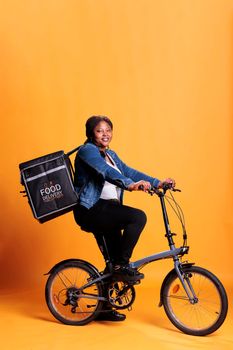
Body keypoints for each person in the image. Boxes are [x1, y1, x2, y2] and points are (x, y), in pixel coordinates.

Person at [73, 115, 175, 321]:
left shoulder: (110, 154)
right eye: (100, 130)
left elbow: (129, 171)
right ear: (91, 133)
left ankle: (103, 308)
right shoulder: (87, 151)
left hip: (108, 210)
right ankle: (122, 265)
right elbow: (106, 172)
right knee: (137, 217)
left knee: (112, 261)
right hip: (91, 209)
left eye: (108, 130)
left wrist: (157, 183)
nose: (105, 134)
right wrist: (129, 184)